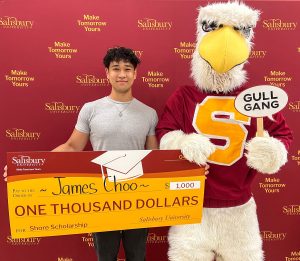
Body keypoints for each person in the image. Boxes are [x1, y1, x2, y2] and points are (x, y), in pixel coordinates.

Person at [3, 46, 158, 261]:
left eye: (127, 69)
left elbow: (156, 158)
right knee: (105, 258)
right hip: (101, 198)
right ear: (107, 73)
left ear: (135, 74)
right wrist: (26, 169)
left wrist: (191, 168)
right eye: (116, 68)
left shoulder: (149, 114)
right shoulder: (91, 109)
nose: (122, 74)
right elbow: (72, 146)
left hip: (138, 198)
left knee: (137, 257)